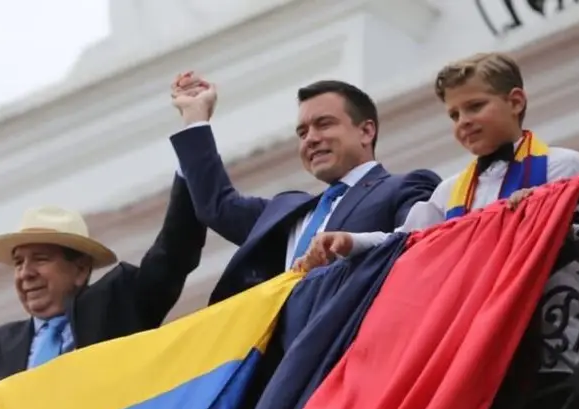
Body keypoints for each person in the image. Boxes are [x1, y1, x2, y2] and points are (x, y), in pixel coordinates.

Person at [300, 52, 579, 375]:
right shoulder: (449, 191)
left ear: (516, 101)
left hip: (559, 339)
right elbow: (408, 243)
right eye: (454, 115)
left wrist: (546, 211)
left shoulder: (564, 166)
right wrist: (350, 241)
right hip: (479, 347)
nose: (463, 121)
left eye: (475, 106)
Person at [169, 72, 440, 303]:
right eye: (302, 132)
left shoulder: (404, 186)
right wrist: (195, 116)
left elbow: (423, 255)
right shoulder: (289, 213)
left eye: (324, 124)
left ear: (366, 132)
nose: (311, 139)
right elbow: (217, 206)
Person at [0, 176, 207, 397]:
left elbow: (175, 251)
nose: (25, 273)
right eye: (18, 263)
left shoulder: (116, 307)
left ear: (80, 269)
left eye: (40, 259)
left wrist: (191, 147)